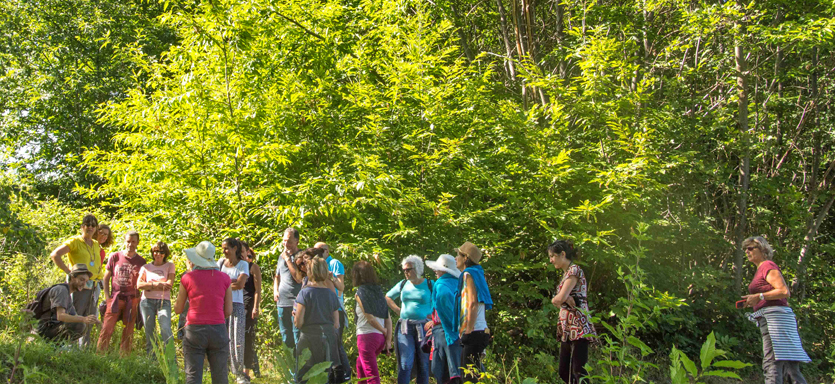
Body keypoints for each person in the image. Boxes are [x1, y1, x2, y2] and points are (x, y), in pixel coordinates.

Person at [741, 236, 810, 384]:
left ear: (763, 249)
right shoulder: (762, 268)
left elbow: (784, 291)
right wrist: (754, 300)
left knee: (772, 362)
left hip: (775, 321)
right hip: (778, 318)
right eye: (745, 249)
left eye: (750, 248)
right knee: (791, 368)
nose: (747, 251)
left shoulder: (767, 266)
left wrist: (759, 296)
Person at [175, 241, 233, 384]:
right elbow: (229, 311)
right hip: (218, 329)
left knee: (193, 377)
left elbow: (178, 309)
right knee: (220, 377)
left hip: (194, 330)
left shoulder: (187, 278)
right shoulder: (225, 278)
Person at [49, 213, 103, 348]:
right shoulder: (75, 241)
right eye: (87, 225)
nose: (90, 227)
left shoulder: (96, 244)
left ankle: (83, 350)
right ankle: (67, 347)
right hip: (79, 285)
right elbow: (55, 255)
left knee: (90, 317)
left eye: (93, 225)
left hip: (94, 286)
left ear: (96, 228)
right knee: (75, 316)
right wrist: (70, 273)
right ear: (82, 227)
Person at [548, 240, 596, 384]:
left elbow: (559, 299)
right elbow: (560, 301)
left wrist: (561, 299)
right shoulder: (566, 273)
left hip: (578, 328)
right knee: (564, 372)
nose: (551, 260)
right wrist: (563, 299)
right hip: (567, 329)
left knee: (578, 373)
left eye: (552, 256)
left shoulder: (574, 271)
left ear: (562, 254)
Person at [293, 257, 341, 383]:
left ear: (310, 271)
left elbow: (298, 323)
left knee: (305, 376)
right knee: (325, 376)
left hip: (309, 339)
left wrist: (295, 318)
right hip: (328, 339)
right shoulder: (331, 294)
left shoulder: (304, 293)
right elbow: (336, 323)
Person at [386, 255, 433, 384]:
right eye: (404, 270)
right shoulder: (403, 284)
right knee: (405, 362)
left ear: (417, 268)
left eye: (408, 269)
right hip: (405, 327)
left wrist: (432, 314)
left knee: (423, 364)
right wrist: (397, 310)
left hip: (424, 327)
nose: (406, 272)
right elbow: (388, 297)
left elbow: (438, 300)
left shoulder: (429, 284)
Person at [98, 230, 146, 354]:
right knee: (107, 328)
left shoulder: (141, 262)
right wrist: (107, 296)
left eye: (133, 242)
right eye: (128, 241)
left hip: (132, 299)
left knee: (128, 331)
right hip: (115, 297)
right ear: (124, 241)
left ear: (138, 243)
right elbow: (106, 277)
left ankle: (124, 357)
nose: (130, 244)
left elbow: (143, 282)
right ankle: (100, 354)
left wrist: (140, 300)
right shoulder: (115, 256)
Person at [454, 241, 493, 382]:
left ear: (466, 258)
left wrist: (468, 331)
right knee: (473, 375)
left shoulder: (468, 274)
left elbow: (472, 303)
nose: (455, 258)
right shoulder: (477, 273)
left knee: (469, 378)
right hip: (479, 330)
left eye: (457, 255)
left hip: (474, 331)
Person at [33, 264, 102, 342]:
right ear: (72, 278)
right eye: (81, 280)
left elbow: (74, 316)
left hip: (51, 328)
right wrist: (84, 319)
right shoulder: (61, 290)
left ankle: (57, 347)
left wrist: (95, 321)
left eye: (86, 281)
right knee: (80, 325)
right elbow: (61, 316)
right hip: (43, 329)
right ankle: (54, 346)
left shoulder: (67, 295)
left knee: (80, 323)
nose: (84, 284)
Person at [314, 242, 352, 383]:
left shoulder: (335, 263)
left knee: (336, 342)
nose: (319, 253)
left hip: (335, 306)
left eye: (322, 250)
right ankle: (332, 373)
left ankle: (345, 372)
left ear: (327, 251)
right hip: (323, 308)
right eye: (316, 250)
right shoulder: (316, 265)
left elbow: (341, 287)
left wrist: (331, 277)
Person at [353, 261, 393, 384]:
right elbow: (388, 318)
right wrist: (387, 339)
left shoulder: (360, 293)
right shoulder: (379, 292)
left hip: (366, 337)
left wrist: (384, 331)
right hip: (379, 339)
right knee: (360, 365)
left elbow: (369, 318)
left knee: (372, 377)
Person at [425, 254, 462, 384]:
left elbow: (447, 312)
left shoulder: (442, 286)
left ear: (444, 270)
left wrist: (439, 325)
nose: (435, 271)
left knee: (442, 370)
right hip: (455, 331)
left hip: (446, 332)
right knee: (456, 367)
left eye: (438, 269)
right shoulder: (457, 284)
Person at [218, 238, 250, 384]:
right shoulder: (220, 263)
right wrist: (231, 283)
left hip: (236, 304)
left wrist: (224, 284)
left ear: (235, 248)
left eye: (227, 248)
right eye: (223, 248)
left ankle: (238, 373)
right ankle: (222, 370)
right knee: (221, 338)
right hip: (220, 304)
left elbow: (240, 284)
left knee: (237, 339)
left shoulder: (243, 264)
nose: (224, 251)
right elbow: (220, 282)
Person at [137, 241, 176, 358]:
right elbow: (139, 285)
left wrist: (149, 284)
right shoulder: (146, 267)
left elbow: (169, 284)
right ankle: (151, 359)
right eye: (155, 251)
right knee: (149, 332)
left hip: (163, 302)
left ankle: (169, 359)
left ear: (165, 253)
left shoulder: (170, 266)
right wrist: (158, 285)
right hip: (146, 302)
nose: (158, 254)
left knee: (165, 329)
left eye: (161, 252)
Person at [275, 227, 304, 351]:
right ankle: (291, 369)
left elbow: (298, 278)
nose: (286, 244)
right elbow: (277, 276)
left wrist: (288, 259)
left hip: (296, 302)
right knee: (286, 337)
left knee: (298, 336)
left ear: (297, 242)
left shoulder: (302, 256)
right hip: (282, 302)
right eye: (284, 241)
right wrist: (275, 291)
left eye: (289, 241)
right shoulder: (281, 256)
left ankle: (301, 368)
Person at [241, 241, 262, 378]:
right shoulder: (232, 266)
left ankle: (247, 371)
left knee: (248, 337)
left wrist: (255, 307)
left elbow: (257, 290)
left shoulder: (253, 267)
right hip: (235, 305)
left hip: (248, 305)